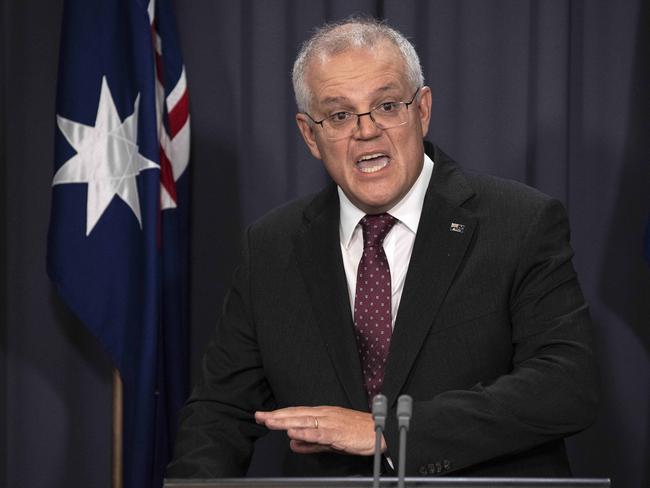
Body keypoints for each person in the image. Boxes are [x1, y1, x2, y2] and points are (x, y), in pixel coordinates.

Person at [167, 17, 598, 478]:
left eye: (387, 105)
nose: (366, 131)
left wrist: (388, 432)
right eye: (339, 115)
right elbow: (218, 414)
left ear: (422, 110)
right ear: (310, 135)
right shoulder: (272, 247)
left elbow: (566, 386)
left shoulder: (520, 222)